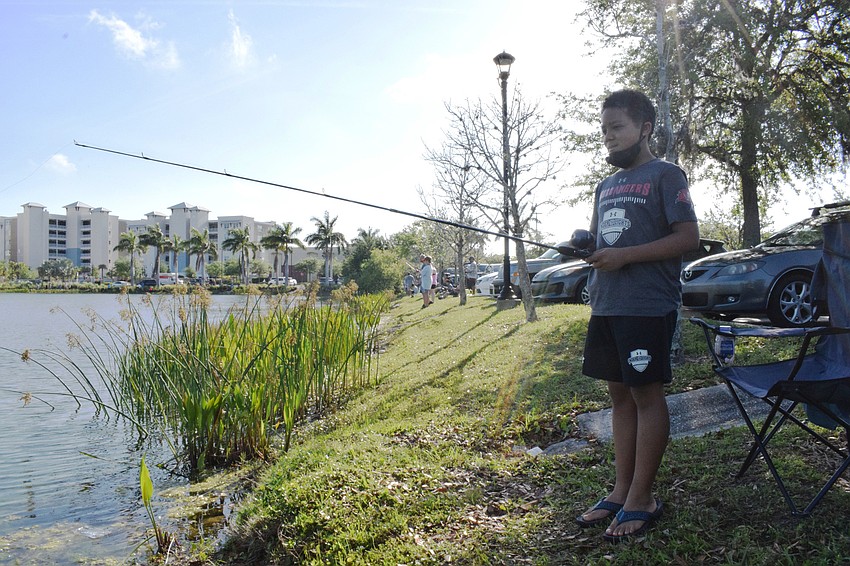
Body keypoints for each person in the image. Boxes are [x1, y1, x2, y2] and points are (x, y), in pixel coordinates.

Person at [574, 89, 699, 542]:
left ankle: (643, 498)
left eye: (617, 127)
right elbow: (601, 240)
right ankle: (621, 491)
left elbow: (688, 238)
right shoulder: (604, 186)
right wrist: (588, 249)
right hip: (607, 303)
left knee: (646, 395)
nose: (607, 137)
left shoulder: (667, 175)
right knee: (619, 398)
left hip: (647, 305)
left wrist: (625, 257)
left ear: (644, 128)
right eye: (603, 129)